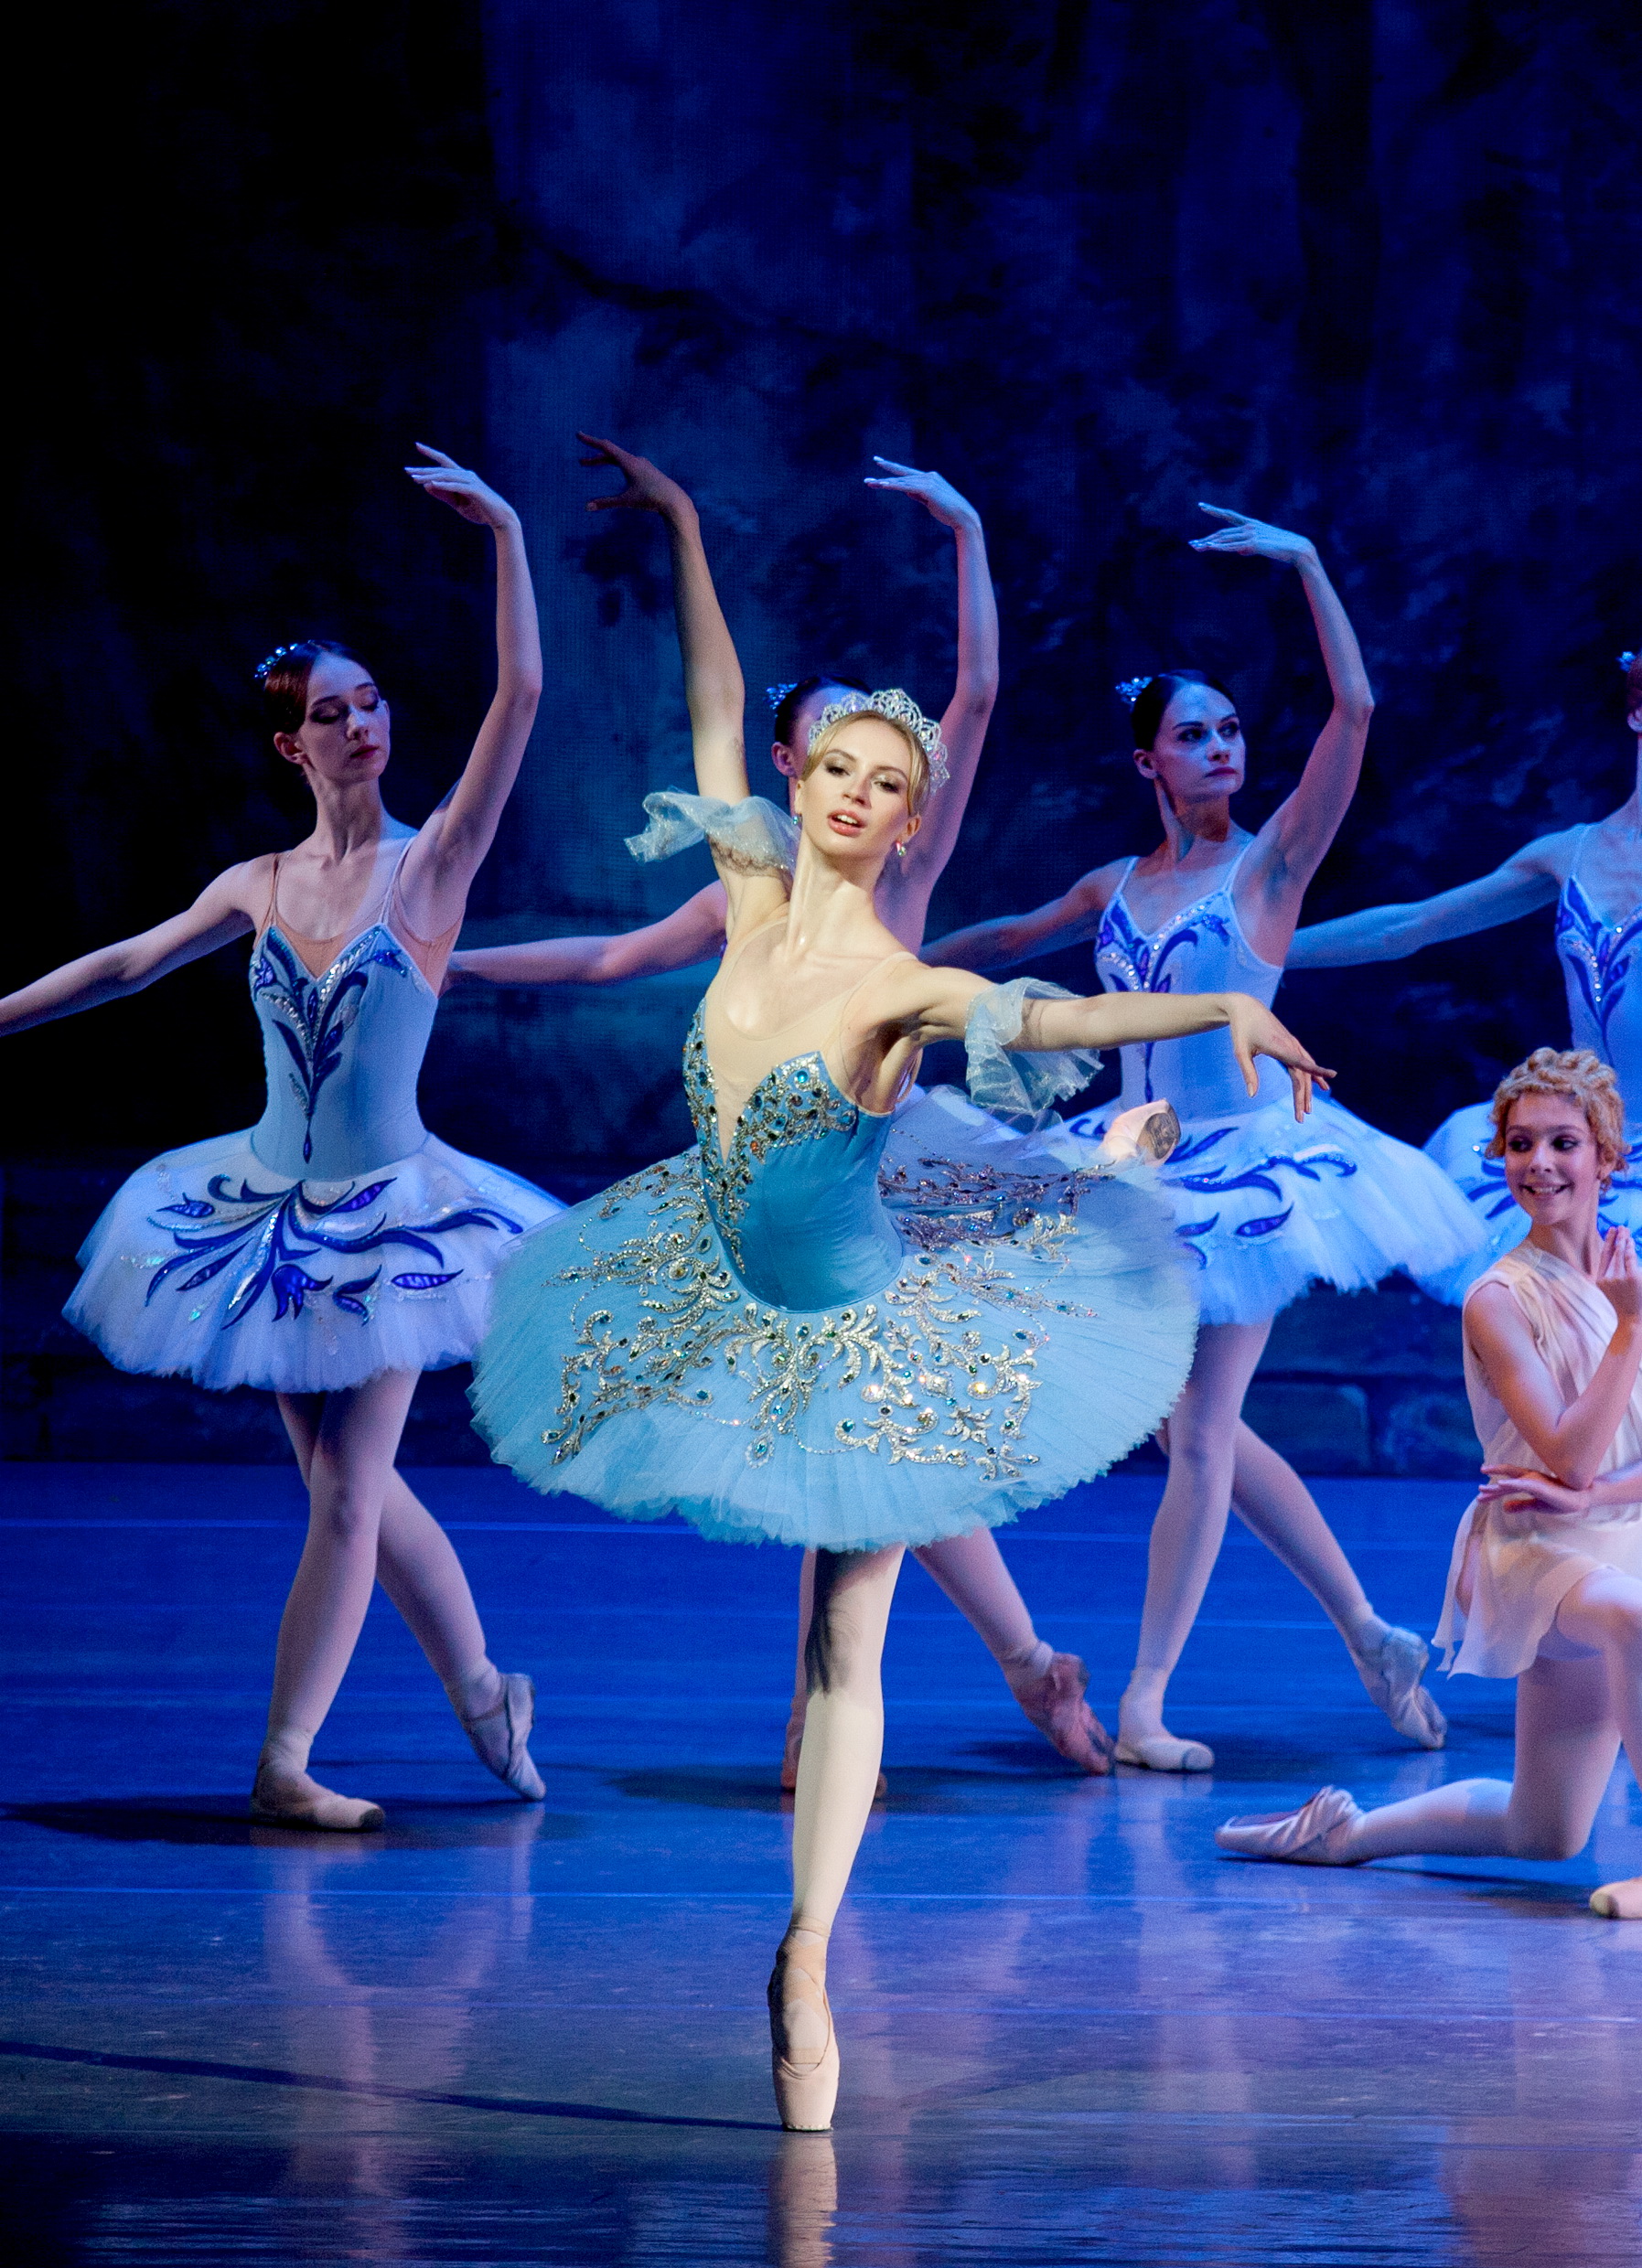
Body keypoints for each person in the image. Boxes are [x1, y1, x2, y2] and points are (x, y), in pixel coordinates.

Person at [467, 458, 1333, 2128]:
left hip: (862, 1314)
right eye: (837, 770)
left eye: (889, 784)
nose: (857, 796)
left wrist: (1221, 1014)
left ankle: (803, 1964)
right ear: (796, 783)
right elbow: (708, 704)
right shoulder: (742, 892)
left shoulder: (899, 975)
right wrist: (689, 529)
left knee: (840, 1651)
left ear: (909, 819)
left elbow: (1056, 1021)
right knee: (818, 1634)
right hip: (721, 1284)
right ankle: (1003, 1686)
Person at [452, 436, 1123, 1784]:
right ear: (784, 763)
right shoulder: (746, 888)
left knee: (847, 1440)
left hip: (868, 1190)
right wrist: (447, 965)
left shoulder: (902, 864)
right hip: (771, 1191)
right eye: (827, 743)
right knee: (878, 1444)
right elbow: (608, 956)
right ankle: (1025, 1664)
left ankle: (825, 1713)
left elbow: (977, 692)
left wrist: (966, 534)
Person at [0, 447, 559, 1831]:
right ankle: (485, 1688)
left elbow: (521, 696)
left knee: (350, 1492)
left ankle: (286, 1760)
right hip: (266, 1216)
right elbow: (126, 963)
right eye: (330, 712)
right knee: (339, 1482)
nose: (361, 725)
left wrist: (505, 532)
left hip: (395, 1221)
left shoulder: (431, 863)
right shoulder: (255, 882)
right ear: (289, 746)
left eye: (371, 702)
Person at [925, 507, 1482, 1771]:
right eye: (1192, 734)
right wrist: (873, 972)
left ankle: (1144, 1701)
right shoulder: (1112, 888)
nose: (1220, 747)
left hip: (1247, 1172)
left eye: (1229, 730)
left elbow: (1352, 713)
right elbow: (999, 942)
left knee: (1204, 1426)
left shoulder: (1271, 866)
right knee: (1187, 1429)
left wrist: (1308, 563)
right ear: (1147, 762)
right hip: (1136, 1158)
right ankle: (1369, 1634)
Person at [1217, 1047, 1642, 1923]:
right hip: (1536, 1551)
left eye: (1562, 1143)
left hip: (1613, 1534)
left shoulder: (1626, 1273)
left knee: (1543, 1831)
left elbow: (1590, 1478)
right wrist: (1628, 1329)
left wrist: (1595, 1498)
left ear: (1607, 1156)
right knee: (1632, 1614)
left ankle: (1345, 1833)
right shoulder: (1498, 1297)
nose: (1538, 1163)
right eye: (1519, 1144)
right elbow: (1566, 1456)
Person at [1289, 651, 1642, 1296]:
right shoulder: (1571, 853)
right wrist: (1259, 953)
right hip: (1584, 1150)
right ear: (1638, 713)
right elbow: (1408, 926)